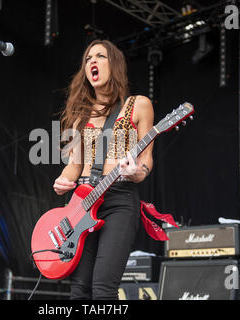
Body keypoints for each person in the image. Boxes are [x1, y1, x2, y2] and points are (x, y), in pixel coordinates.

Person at [54, 39, 154, 300]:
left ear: (116, 65)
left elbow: (146, 160)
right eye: (88, 59)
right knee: (79, 289)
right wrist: (63, 180)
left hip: (119, 199)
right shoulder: (81, 115)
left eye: (100, 56)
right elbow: (74, 166)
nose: (92, 62)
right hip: (83, 202)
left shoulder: (138, 105)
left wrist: (137, 173)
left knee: (102, 289)